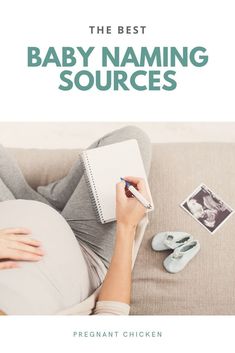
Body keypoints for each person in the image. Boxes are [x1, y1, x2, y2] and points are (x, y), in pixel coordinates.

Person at [0, 126, 151, 315]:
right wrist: (127, 225)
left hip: (7, 218)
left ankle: (41, 200)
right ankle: (42, 201)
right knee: (131, 141)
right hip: (86, 252)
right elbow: (112, 313)